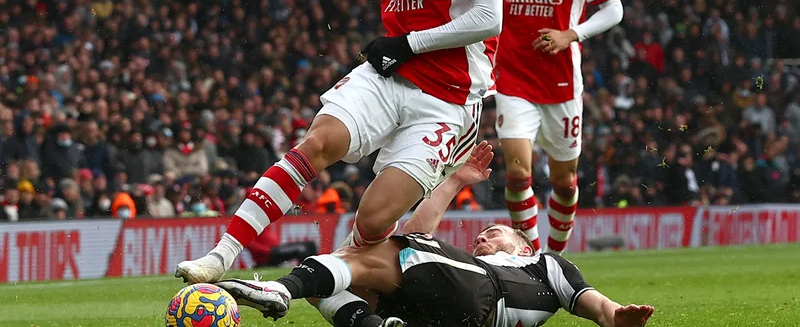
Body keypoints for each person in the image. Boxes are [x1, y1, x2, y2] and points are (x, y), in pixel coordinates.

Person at [176, 0, 507, 284]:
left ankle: (343, 277)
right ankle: (219, 257)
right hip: (388, 77)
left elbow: (488, 18)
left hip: (448, 100)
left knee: (374, 219)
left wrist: (407, 44)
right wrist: (399, 49)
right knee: (316, 143)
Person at [216, 141, 654, 327]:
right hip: (443, 311)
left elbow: (595, 305)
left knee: (359, 258)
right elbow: (417, 238)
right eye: (482, 236)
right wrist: (455, 180)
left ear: (523, 244)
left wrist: (617, 316)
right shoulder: (469, 261)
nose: (483, 239)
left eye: (495, 233)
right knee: (337, 285)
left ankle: (279, 288)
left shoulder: (544, 264)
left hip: (485, 295)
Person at [495, 0, 624, 254]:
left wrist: (572, 34)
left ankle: (556, 256)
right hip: (513, 82)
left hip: (562, 86)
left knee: (565, 181)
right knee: (518, 173)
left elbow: (613, 8)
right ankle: (534, 260)